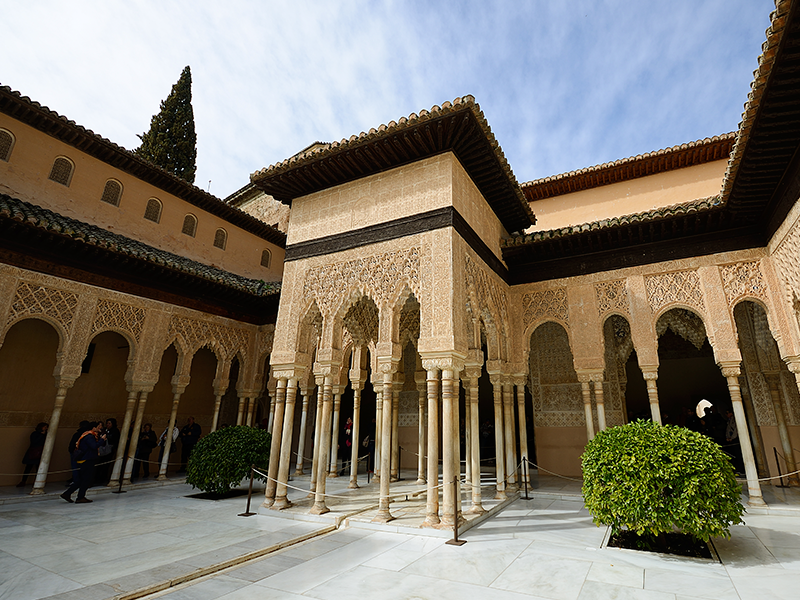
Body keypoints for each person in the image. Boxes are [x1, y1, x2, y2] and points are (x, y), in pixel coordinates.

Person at [61, 421, 107, 504]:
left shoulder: (88, 435)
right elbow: (94, 446)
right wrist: (102, 440)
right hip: (87, 460)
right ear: (93, 428)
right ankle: (80, 497)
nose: (99, 428)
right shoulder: (89, 436)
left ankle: (67, 494)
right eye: (97, 427)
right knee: (85, 479)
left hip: (85, 459)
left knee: (80, 480)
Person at [17, 422, 48, 487]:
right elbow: (34, 442)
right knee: (28, 468)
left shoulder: (46, 434)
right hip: (33, 452)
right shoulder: (35, 434)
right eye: (44, 427)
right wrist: (41, 435)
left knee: (39, 468)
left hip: (41, 453)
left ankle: (38, 482)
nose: (45, 428)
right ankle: (23, 481)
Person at [95, 417, 119, 484]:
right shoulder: (104, 430)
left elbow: (114, 438)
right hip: (102, 450)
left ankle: (103, 479)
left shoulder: (115, 431)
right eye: (107, 423)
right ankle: (97, 479)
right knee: (99, 465)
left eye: (109, 423)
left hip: (109, 451)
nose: (108, 425)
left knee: (106, 466)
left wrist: (105, 436)